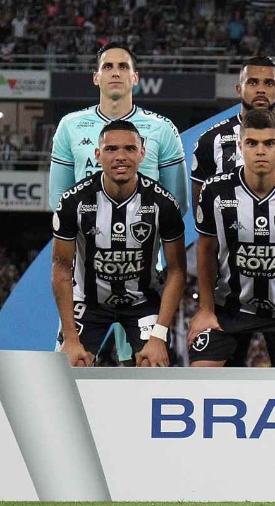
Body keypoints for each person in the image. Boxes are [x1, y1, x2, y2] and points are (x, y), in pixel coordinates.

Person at [190, 109, 275, 368]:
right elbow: (205, 250)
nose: (260, 151)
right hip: (228, 310)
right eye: (252, 143)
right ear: (240, 147)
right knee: (201, 372)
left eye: (269, 143)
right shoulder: (215, 191)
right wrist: (205, 309)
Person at [51, 120, 186, 367]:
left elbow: (177, 271)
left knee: (152, 365)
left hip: (142, 302)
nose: (120, 156)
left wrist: (158, 335)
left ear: (142, 154)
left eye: (129, 149)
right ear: (98, 155)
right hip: (88, 302)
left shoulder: (163, 204)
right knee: (71, 365)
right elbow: (60, 268)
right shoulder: (73, 202)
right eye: (111, 149)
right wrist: (70, 338)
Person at [49, 43, 188, 213]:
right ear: (96, 77)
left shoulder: (163, 128)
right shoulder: (69, 125)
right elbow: (58, 198)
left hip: (144, 228)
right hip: (86, 229)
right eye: (108, 67)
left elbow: (177, 203)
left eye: (123, 66)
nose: (115, 73)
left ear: (135, 78)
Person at [191, 55, 275, 212]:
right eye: (253, 82)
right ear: (239, 89)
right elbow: (201, 209)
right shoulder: (210, 139)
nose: (261, 89)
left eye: (269, 83)